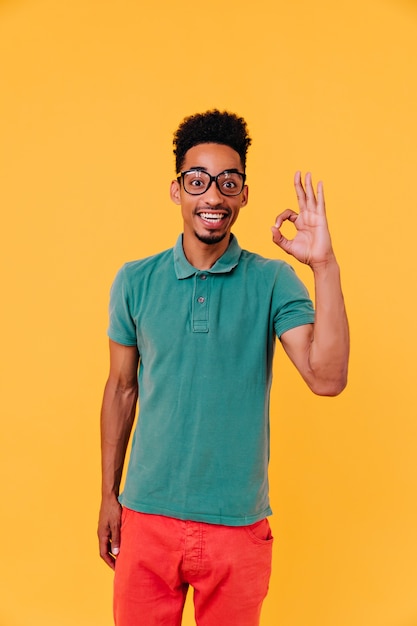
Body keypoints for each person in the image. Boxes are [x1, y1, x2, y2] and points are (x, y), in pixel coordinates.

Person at [97, 109, 349, 626]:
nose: (212, 196)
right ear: (177, 190)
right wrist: (108, 496)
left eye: (227, 182)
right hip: (146, 517)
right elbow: (121, 390)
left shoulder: (273, 281)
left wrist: (324, 266)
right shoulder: (135, 281)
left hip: (236, 528)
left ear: (243, 194)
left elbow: (327, 378)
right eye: (198, 181)